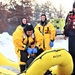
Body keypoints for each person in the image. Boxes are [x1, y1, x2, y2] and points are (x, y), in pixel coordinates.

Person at [63, 2, 75, 75]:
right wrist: (65, 34)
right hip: (72, 34)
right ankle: (72, 68)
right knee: (72, 52)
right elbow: (66, 25)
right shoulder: (70, 15)